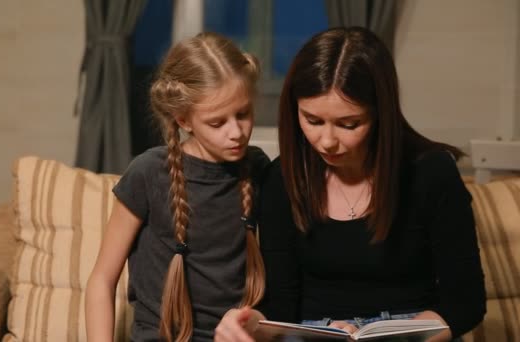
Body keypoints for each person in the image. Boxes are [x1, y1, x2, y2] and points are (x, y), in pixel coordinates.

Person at [215, 26, 486, 342]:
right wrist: (251, 325)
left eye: (349, 124)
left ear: (380, 115)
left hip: (410, 332)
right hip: (317, 333)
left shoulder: (431, 172)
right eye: (312, 121)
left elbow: (465, 303)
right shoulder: (283, 178)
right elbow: (282, 309)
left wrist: (405, 335)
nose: (327, 142)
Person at [84, 32, 270, 342]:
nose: (236, 132)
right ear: (184, 120)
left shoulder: (259, 169)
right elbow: (101, 281)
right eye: (217, 122)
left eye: (243, 114)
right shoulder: (148, 173)